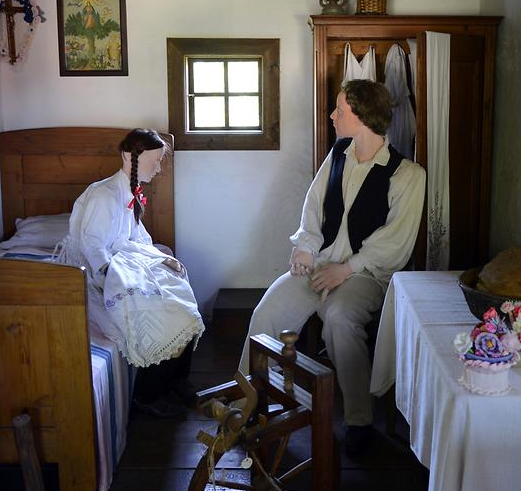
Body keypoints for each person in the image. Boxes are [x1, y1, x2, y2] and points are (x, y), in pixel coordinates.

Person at [240, 79, 426, 455]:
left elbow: (396, 241)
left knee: (340, 319)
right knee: (267, 312)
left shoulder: (408, 174)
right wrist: (306, 250)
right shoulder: (337, 154)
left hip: (365, 275)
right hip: (320, 263)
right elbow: (314, 207)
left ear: (361, 116)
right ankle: (251, 399)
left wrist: (347, 269)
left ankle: (358, 420)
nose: (333, 115)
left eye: (340, 110)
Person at [55, 128, 204, 418]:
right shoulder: (103, 195)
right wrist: (112, 279)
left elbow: (138, 237)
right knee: (157, 308)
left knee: (179, 286)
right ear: (128, 156)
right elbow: (92, 245)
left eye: (161, 161)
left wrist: (162, 259)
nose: (159, 168)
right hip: (100, 271)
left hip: (123, 258)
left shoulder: (129, 192)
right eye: (155, 161)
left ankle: (176, 379)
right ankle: (148, 394)